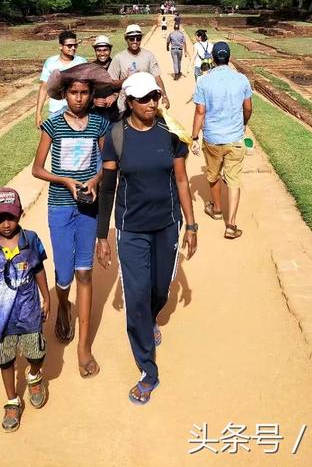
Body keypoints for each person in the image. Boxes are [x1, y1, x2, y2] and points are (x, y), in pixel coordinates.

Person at [96, 72, 198, 405]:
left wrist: (192, 226)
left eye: (154, 96)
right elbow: (109, 188)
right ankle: (147, 369)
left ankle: (151, 318)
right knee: (137, 296)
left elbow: (182, 182)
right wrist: (102, 236)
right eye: (144, 98)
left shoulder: (171, 134)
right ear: (129, 101)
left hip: (167, 224)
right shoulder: (116, 136)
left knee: (158, 290)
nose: (152, 103)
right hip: (132, 229)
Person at [32, 64, 112, 378]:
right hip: (61, 206)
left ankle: (83, 347)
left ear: (92, 95)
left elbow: (107, 163)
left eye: (84, 93)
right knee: (63, 274)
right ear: (64, 94)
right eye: (73, 92)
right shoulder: (53, 126)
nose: (78, 98)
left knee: (84, 272)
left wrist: (95, 180)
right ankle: (63, 305)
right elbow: (37, 169)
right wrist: (64, 180)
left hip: (88, 207)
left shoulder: (98, 125)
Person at [0, 188, 49, 433]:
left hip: (29, 313)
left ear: (20, 214)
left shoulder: (32, 241)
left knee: (36, 353)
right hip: (1, 319)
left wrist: (46, 298)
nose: (6, 224)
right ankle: (12, 400)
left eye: (11, 217)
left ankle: (34, 377)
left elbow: (39, 270)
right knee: (5, 360)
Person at [190, 41, 252, 240]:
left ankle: (216, 209)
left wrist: (194, 137)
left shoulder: (203, 81)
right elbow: (248, 107)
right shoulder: (241, 79)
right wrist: (244, 123)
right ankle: (231, 224)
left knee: (214, 174)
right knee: (233, 180)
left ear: (213, 59)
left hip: (213, 138)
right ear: (229, 57)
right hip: (234, 137)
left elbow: (200, 112)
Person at [108, 24, 170, 110]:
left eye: (138, 38)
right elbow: (112, 84)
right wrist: (127, 79)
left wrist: (164, 96)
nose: (135, 41)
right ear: (126, 39)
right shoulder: (118, 58)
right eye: (132, 38)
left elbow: (157, 77)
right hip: (125, 104)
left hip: (145, 103)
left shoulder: (148, 56)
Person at [35, 30, 86, 127]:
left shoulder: (82, 62)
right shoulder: (50, 62)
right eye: (69, 46)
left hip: (77, 110)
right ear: (60, 46)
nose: (73, 48)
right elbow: (44, 87)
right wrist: (38, 113)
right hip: (56, 109)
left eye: (75, 45)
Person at [91, 35, 120, 123]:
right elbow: (86, 89)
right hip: (96, 113)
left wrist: (115, 96)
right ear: (95, 51)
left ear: (110, 50)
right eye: (99, 50)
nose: (102, 53)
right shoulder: (90, 68)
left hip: (116, 112)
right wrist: (94, 101)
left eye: (105, 50)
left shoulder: (117, 65)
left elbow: (125, 85)